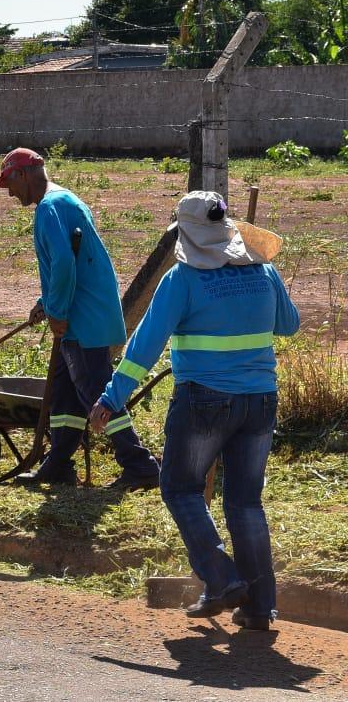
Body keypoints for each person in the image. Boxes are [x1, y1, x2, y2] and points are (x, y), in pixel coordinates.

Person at [91, 192, 298, 631]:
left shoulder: (182, 280)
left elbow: (143, 349)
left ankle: (221, 578)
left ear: (184, 234)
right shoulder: (264, 269)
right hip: (261, 400)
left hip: (204, 399)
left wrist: (112, 397)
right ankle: (260, 604)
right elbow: (289, 325)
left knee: (181, 487)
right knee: (245, 502)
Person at [0, 147, 160, 490]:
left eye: (9, 183)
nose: (9, 192)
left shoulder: (50, 208)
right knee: (64, 397)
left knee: (99, 394)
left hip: (81, 321)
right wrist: (46, 302)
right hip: (84, 315)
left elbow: (65, 265)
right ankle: (58, 464)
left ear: (23, 174)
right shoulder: (64, 201)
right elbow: (70, 261)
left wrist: (56, 312)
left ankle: (140, 466)